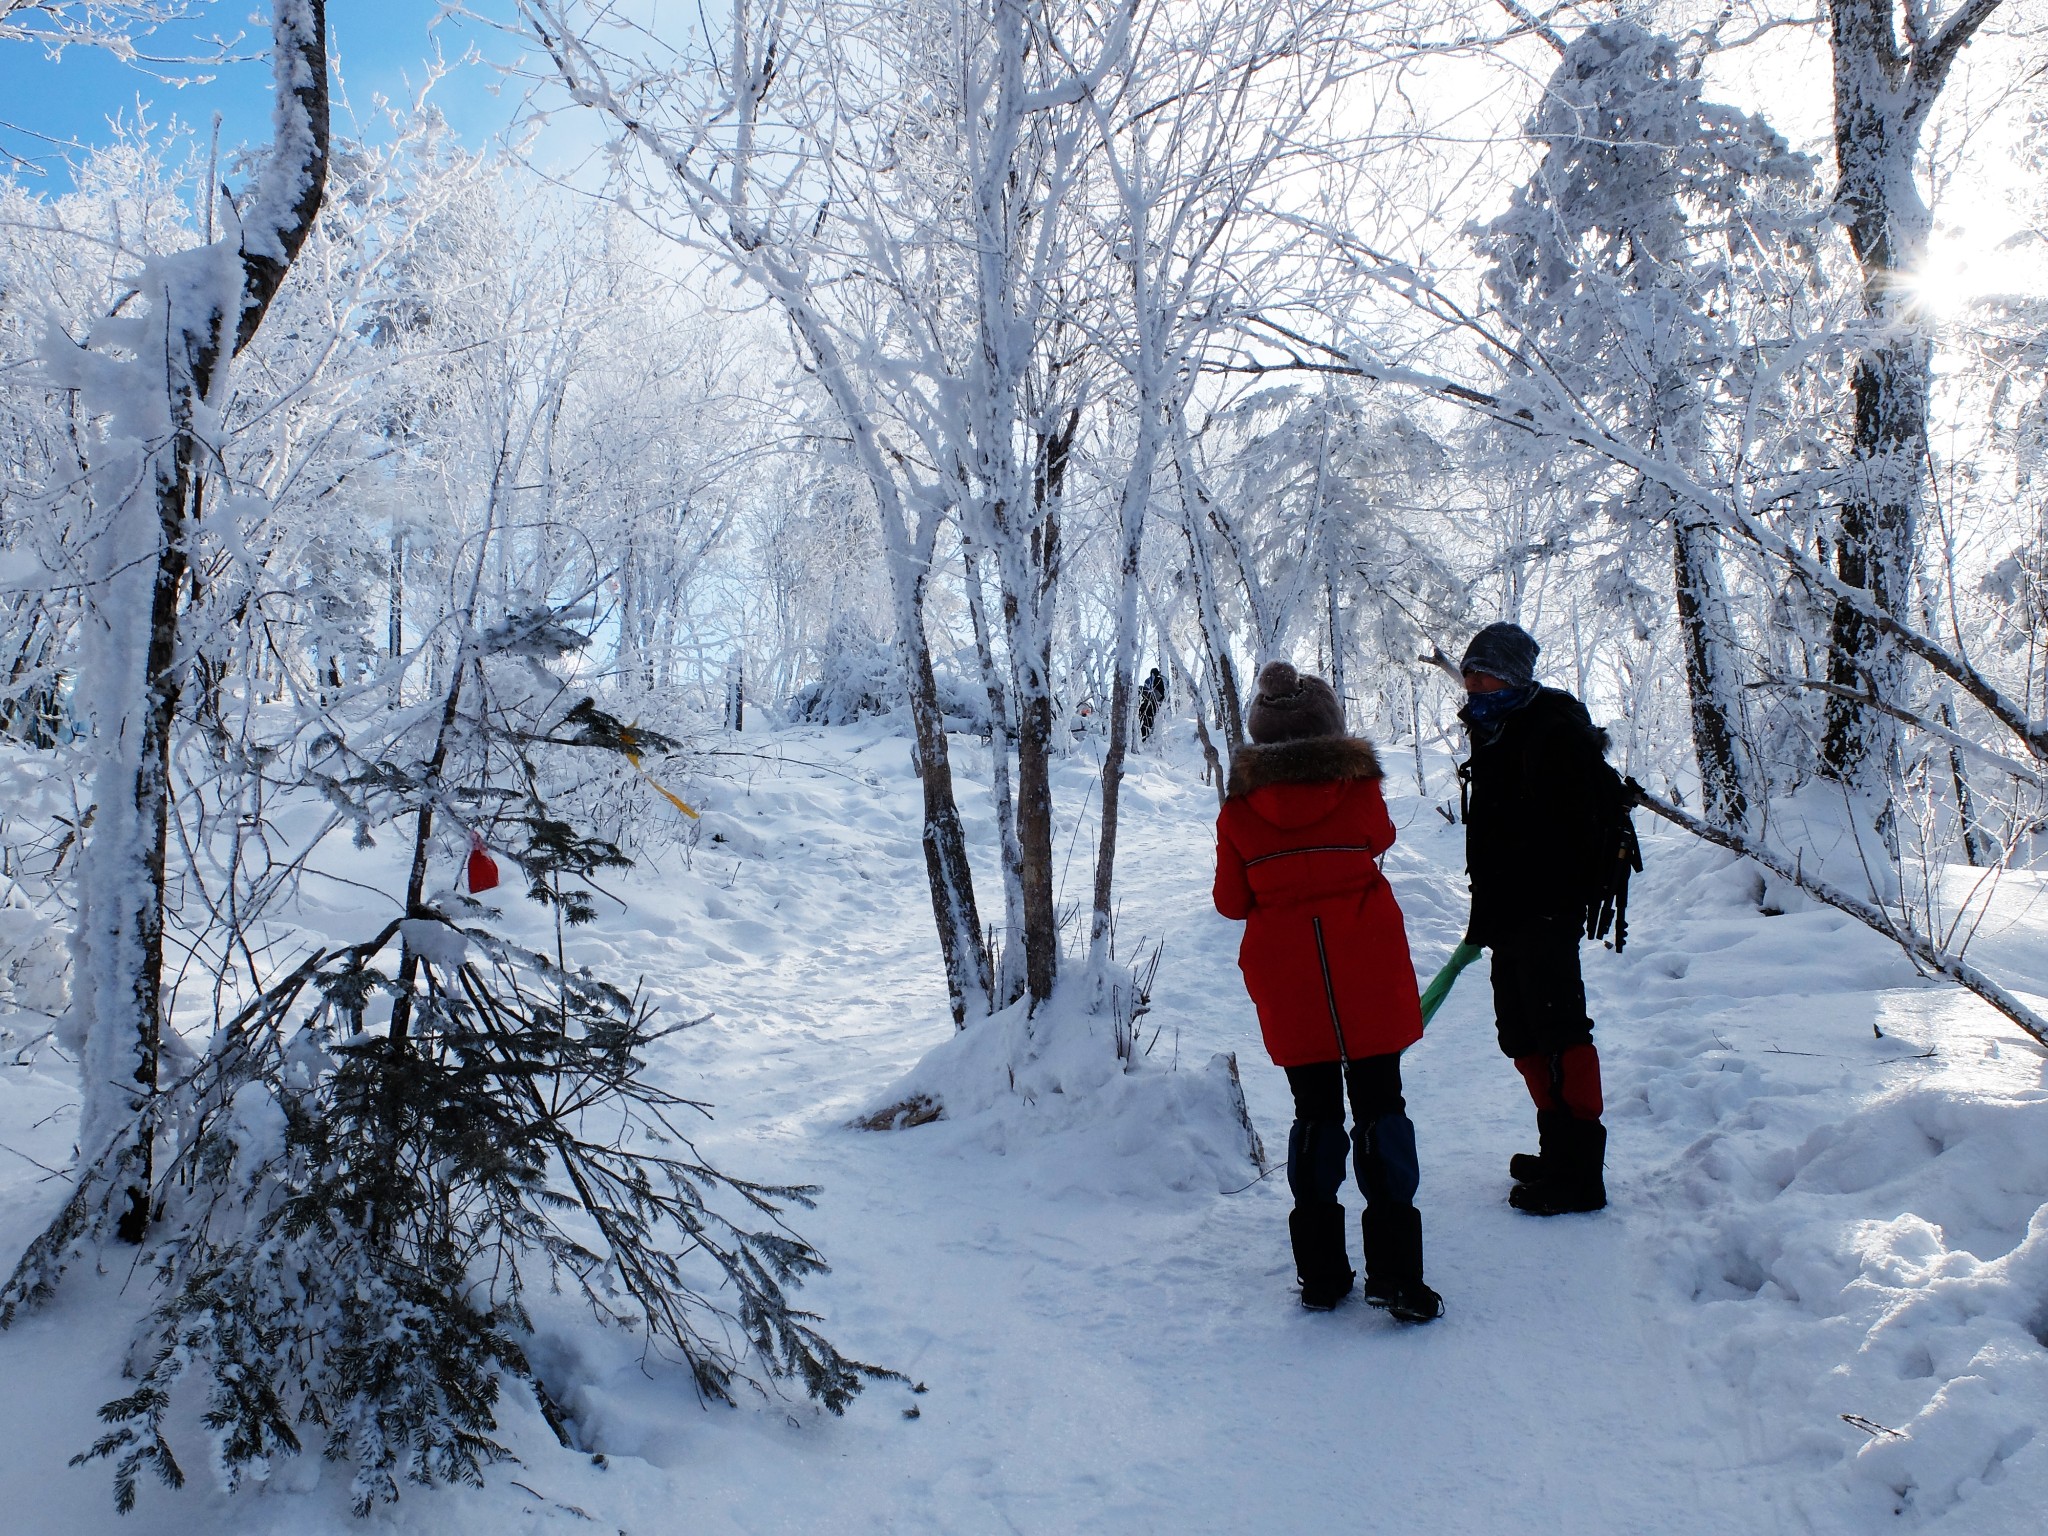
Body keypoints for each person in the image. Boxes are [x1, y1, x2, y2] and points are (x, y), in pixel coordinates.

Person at [1214, 661, 1441, 1323]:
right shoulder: (1358, 791)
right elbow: (1384, 839)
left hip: (1291, 988)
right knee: (1381, 1111)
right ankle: (1396, 1276)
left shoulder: (1239, 811)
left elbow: (1231, 903)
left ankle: (1320, 1276)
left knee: (1314, 1117)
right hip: (1367, 976)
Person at [1455, 621, 1611, 1216]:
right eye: (1470, 676)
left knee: (1561, 1034)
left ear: (1515, 677)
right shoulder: (1497, 729)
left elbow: (1565, 835)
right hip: (1507, 910)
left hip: (1545, 910)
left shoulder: (1551, 732)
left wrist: (1541, 906)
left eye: (1487, 674)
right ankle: (1557, 1150)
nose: (1476, 686)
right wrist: (1487, 914)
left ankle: (1581, 1175)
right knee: (1519, 1034)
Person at [1136, 666, 1167, 743]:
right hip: (1153, 702)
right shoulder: (1160, 680)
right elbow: (1162, 694)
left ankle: (1143, 737)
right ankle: (1147, 737)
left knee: (1143, 719)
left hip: (1144, 703)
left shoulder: (1147, 680)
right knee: (1150, 719)